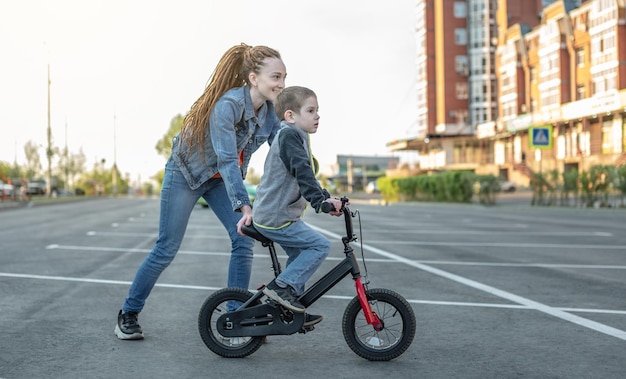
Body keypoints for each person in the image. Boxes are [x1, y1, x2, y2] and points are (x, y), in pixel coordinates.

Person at [115, 43, 286, 340]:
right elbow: (227, 159)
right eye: (276, 77)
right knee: (166, 248)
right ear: (253, 78)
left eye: (284, 77)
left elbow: (285, 153)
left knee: (243, 239)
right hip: (186, 173)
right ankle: (128, 313)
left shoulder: (271, 114)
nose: (282, 84)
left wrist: (314, 190)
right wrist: (245, 205)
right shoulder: (228, 106)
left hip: (219, 179)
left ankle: (236, 320)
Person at [251, 86, 343, 325]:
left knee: (303, 253)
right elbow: (302, 172)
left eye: (317, 111)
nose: (317, 116)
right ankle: (282, 288)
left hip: (277, 214)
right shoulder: (290, 135)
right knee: (319, 246)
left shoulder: (296, 136)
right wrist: (320, 202)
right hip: (276, 217)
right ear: (290, 116)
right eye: (311, 110)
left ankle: (288, 306)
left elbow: (307, 176)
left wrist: (327, 198)